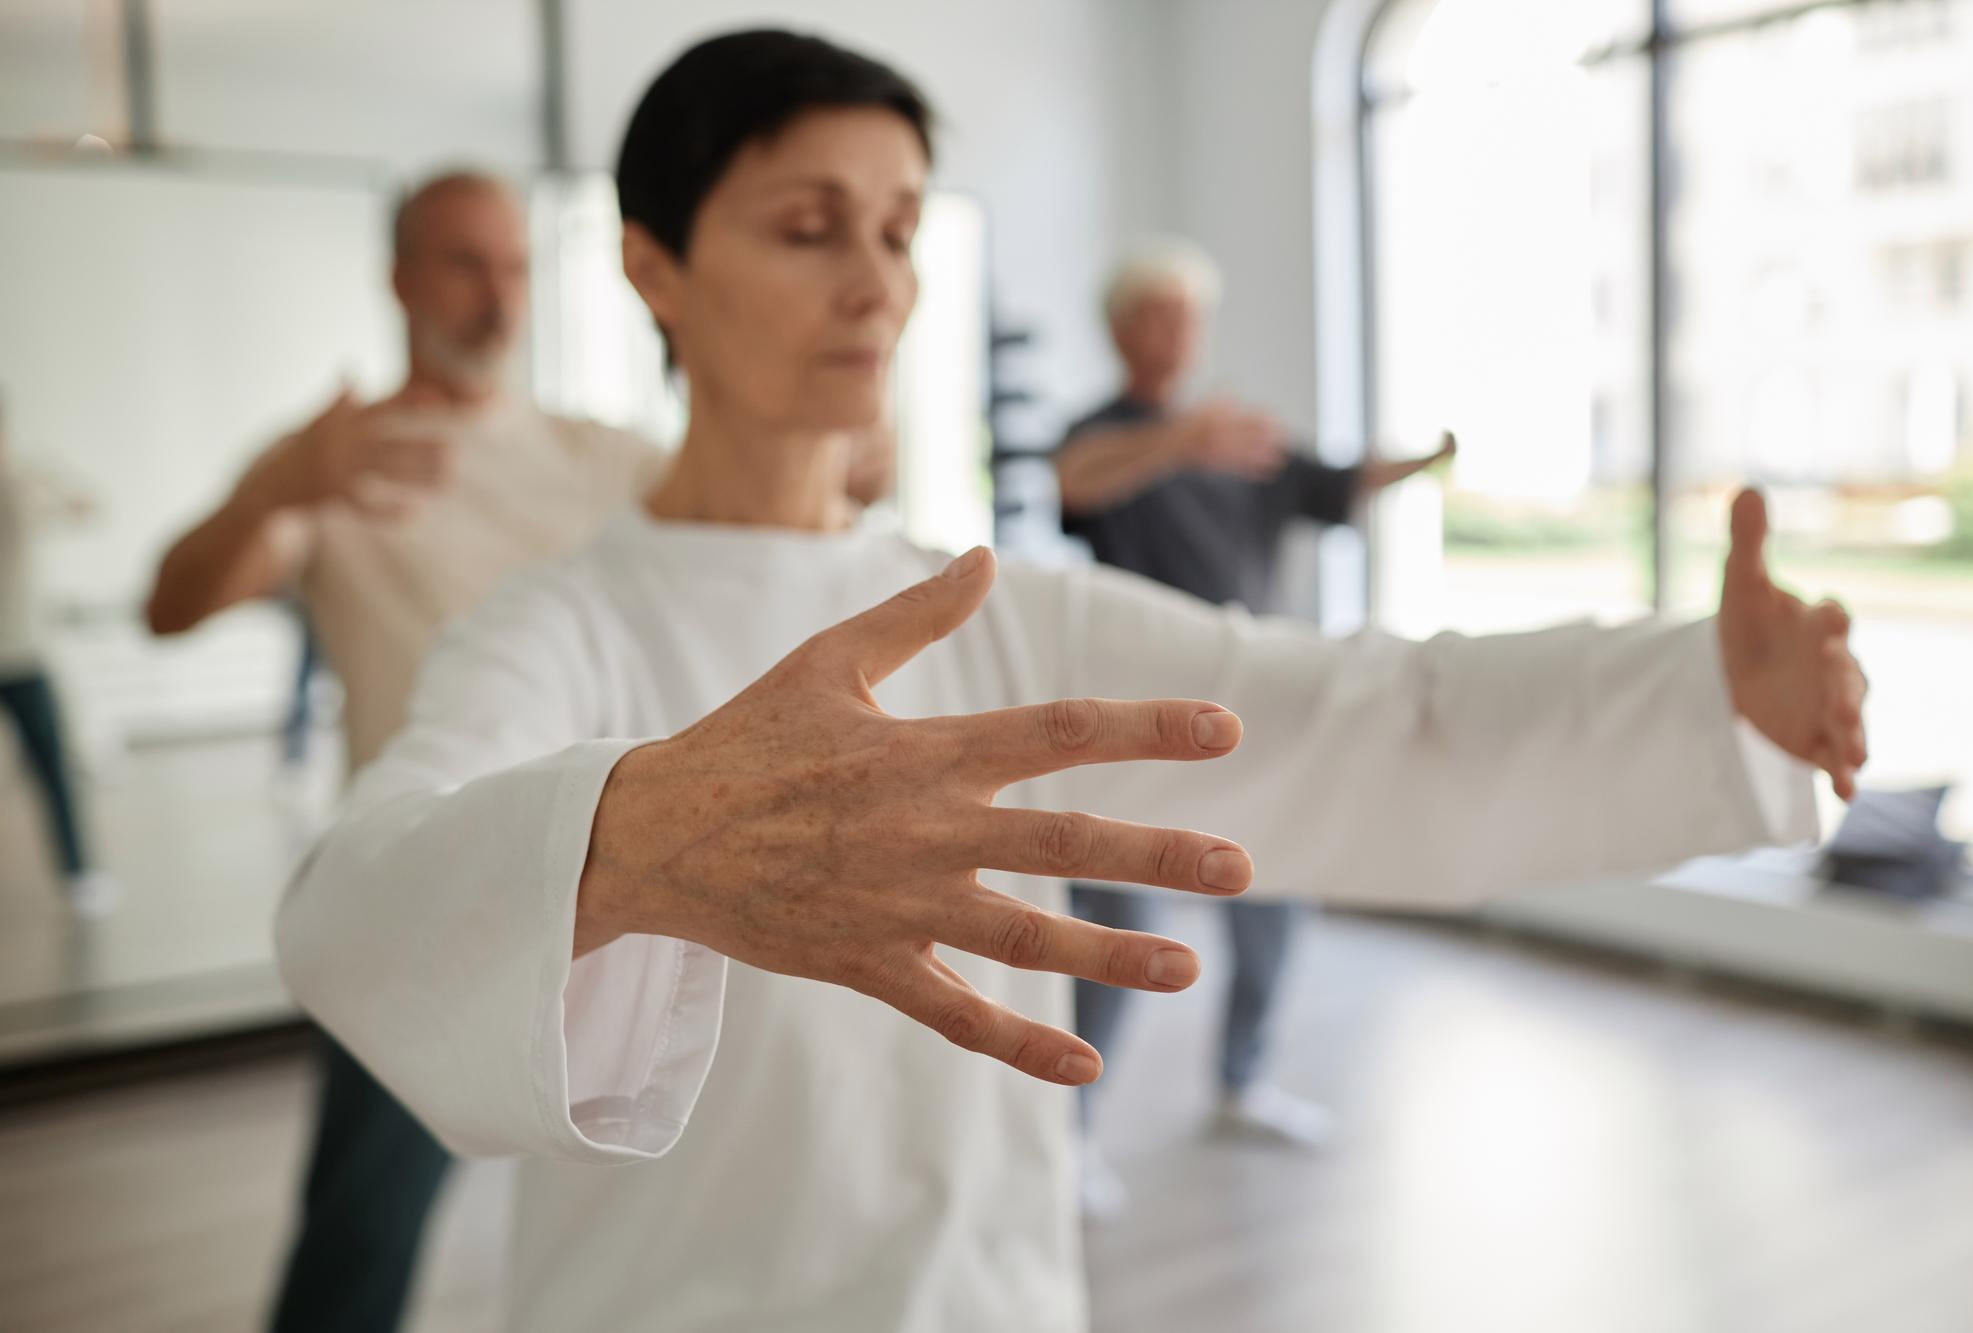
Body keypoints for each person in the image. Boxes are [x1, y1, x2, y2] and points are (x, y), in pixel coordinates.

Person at [274, 30, 1867, 1333]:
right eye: (809, 226)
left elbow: (1368, 722)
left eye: (899, 230)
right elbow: (361, 901)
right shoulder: (559, 627)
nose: (877, 280)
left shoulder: (995, 613)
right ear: (653, 268)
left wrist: (1710, 699)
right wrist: (637, 840)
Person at [146, 171, 668, 1333]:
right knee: (362, 1232)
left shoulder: (601, 454)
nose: (497, 297)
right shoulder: (332, 460)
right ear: (398, 278)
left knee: (648, 1227)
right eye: (464, 263)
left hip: (621, 885)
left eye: (516, 266)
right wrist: (272, 494)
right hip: (431, 899)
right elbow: (172, 604)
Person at [1053, 239, 1455, 1211]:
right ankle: (1065, 1132)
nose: (1175, 333)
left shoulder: (1243, 438)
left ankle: (1242, 1080)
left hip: (1247, 717)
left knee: (1273, 901)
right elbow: (1073, 483)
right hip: (1133, 726)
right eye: (1155, 314)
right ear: (1117, 330)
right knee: (1121, 924)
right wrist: (1179, 441)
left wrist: (1439, 456)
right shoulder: (1107, 435)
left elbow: (1337, 483)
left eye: (1187, 315)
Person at [0, 397, 118, 916]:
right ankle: (80, 873)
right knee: (51, 767)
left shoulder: (23, 482)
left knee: (52, 766)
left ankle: (79, 871)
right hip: (21, 651)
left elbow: (89, 505)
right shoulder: (22, 483)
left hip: (21, 651)